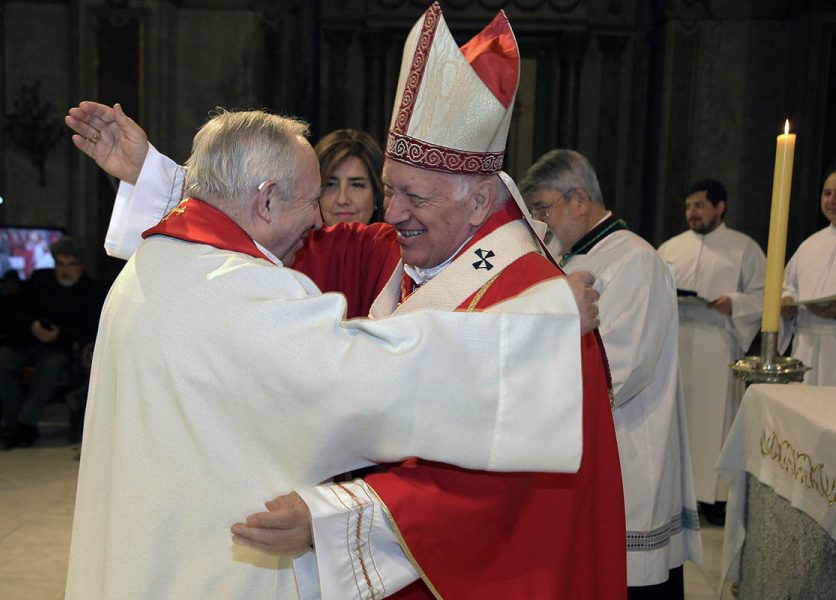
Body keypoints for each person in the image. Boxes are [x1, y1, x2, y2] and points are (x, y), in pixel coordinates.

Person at [68, 5, 627, 598]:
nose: (393, 212)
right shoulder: (394, 251)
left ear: (478, 197)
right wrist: (165, 180)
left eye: (415, 194)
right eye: (388, 188)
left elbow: (513, 483)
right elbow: (255, 231)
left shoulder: (539, 304)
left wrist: (336, 514)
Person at [520, 149, 702, 599]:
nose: (539, 222)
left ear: (579, 199)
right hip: (586, 448)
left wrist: (529, 391)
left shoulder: (635, 260)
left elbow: (620, 367)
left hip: (628, 448)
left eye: (543, 207)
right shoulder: (572, 257)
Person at [657, 179, 766, 523]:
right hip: (678, 343)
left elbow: (765, 296)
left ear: (720, 208)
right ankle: (676, 493)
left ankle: (714, 498)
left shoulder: (744, 248)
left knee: (713, 420)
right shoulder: (670, 248)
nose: (692, 213)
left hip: (719, 347)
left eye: (700, 206)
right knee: (682, 418)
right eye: (689, 206)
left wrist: (732, 303)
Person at [0, 236, 104, 450]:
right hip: (26, 342)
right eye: (60, 264)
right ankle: (20, 424)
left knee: (51, 367)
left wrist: (60, 334)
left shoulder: (91, 290)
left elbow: (90, 328)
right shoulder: (40, 280)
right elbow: (17, 310)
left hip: (59, 348)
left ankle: (21, 426)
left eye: (71, 264)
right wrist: (33, 326)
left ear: (81, 265)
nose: (65, 270)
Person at [779, 165, 836, 385]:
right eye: (827, 193)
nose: (831, 200)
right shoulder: (809, 245)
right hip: (806, 346)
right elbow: (789, 287)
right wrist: (787, 305)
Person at [316, 128, 384, 225]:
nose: (342, 200)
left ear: (377, 194)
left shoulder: (397, 240)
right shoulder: (291, 240)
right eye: (330, 185)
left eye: (356, 185)